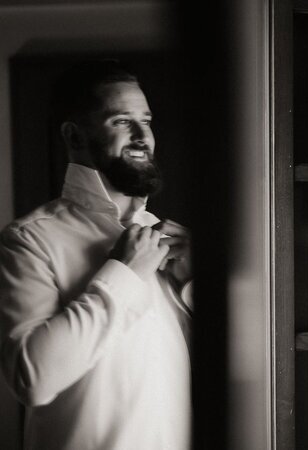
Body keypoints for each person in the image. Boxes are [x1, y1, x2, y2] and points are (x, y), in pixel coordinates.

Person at [0, 61, 192, 450]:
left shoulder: (168, 240)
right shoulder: (29, 239)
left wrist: (191, 283)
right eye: (122, 121)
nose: (143, 136)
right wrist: (122, 273)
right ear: (75, 136)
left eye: (146, 120)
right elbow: (33, 380)